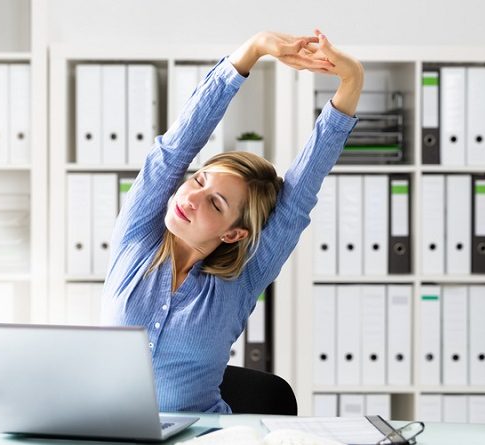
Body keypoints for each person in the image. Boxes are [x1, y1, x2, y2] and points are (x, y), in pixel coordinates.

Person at [101, 29, 364, 413]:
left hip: (206, 437)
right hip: (108, 433)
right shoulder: (137, 239)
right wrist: (253, 50)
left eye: (216, 203)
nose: (190, 197)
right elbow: (175, 149)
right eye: (199, 180)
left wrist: (352, 77)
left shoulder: (241, 281)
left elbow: (299, 196)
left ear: (234, 233)